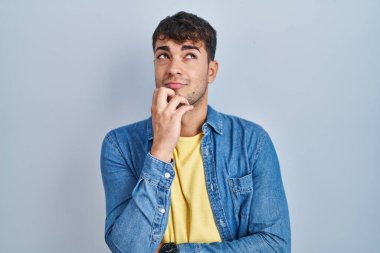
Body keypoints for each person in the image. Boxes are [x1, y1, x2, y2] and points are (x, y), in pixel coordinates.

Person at [100, 11, 291, 253]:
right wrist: (160, 151)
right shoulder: (119, 145)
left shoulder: (252, 142)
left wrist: (175, 252)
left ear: (211, 71)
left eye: (189, 55)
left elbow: (275, 246)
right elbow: (127, 248)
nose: (173, 68)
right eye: (163, 55)